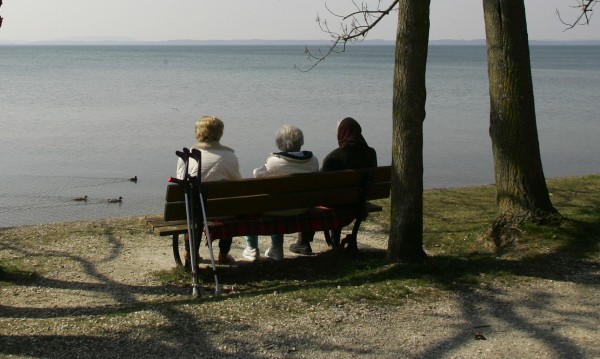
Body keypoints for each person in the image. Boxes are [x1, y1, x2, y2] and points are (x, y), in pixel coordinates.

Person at [289, 117, 377, 255]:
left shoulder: (335, 158)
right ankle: (334, 237)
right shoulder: (371, 153)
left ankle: (303, 242)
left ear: (341, 134)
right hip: (358, 200)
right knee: (337, 194)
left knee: (309, 194)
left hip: (337, 202)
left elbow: (319, 185)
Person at [243, 124, 319, 261]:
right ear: (301, 142)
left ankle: (252, 248)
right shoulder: (313, 161)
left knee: (252, 201)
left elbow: (257, 176)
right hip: (303, 208)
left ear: (279, 143)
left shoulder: (274, 162)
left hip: (277, 209)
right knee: (277, 199)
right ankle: (276, 248)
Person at [176, 115, 242, 265]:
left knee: (193, 207)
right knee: (227, 204)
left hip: (194, 211)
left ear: (198, 133)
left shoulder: (187, 156)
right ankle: (223, 255)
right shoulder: (230, 156)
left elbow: (181, 183)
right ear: (220, 132)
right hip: (223, 211)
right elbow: (236, 183)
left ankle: (189, 253)